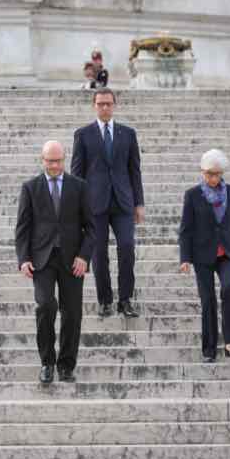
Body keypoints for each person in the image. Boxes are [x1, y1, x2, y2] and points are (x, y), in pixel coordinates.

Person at [15, 140, 95, 384]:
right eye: (50, 161)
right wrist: (23, 259)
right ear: (42, 160)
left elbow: (92, 228)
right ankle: (47, 363)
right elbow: (23, 227)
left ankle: (66, 365)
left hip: (73, 260)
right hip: (42, 259)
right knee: (46, 306)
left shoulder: (79, 186)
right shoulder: (30, 187)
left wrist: (84, 256)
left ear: (65, 159)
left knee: (72, 314)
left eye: (59, 160)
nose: (55, 165)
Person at [71, 87, 145, 319]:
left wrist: (139, 203)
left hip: (123, 202)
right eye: (100, 103)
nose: (105, 107)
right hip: (95, 205)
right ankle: (105, 301)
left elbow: (135, 171)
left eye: (108, 104)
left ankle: (125, 300)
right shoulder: (83, 135)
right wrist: (77, 207)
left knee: (127, 247)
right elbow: (77, 174)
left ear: (114, 105)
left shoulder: (128, 134)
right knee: (99, 253)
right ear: (94, 105)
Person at [178, 149, 230, 363]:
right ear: (202, 172)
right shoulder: (192, 194)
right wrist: (185, 258)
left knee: (228, 289)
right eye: (208, 174)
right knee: (207, 300)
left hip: (227, 252)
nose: (212, 178)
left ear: (222, 173)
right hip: (202, 254)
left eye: (216, 174)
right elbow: (185, 229)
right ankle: (209, 347)